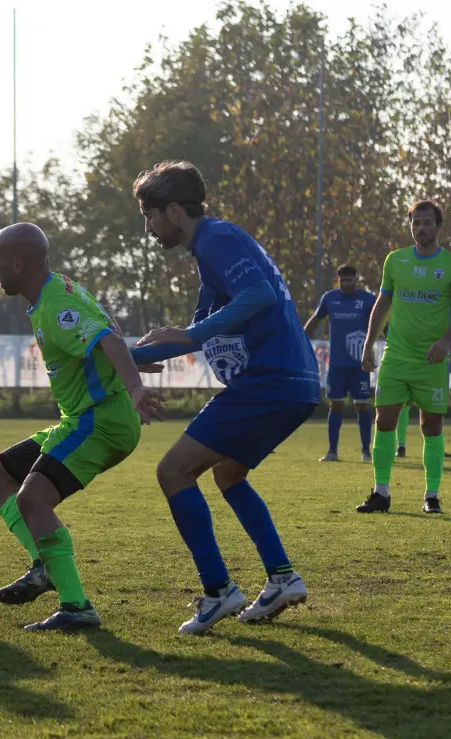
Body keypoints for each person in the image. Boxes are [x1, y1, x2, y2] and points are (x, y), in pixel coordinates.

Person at [128, 160, 319, 635]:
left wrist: (190, 332)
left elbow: (257, 297)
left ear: (174, 210)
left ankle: (217, 591)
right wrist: (118, 356)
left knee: (172, 471)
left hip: (268, 381)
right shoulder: (212, 254)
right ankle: (282, 577)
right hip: (293, 384)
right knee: (229, 474)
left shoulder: (217, 238)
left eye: (150, 216)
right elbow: (193, 337)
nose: (148, 228)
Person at [0, 222, 164, 631]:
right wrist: (131, 361)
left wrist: (134, 385)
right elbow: (103, 341)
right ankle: (43, 565)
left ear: (16, 262)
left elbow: (106, 339)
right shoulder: (55, 291)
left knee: (32, 499)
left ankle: (76, 606)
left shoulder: (56, 305)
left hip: (101, 419)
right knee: (0, 472)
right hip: (81, 418)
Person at [357, 200, 451, 515]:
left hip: (431, 361)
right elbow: (382, 304)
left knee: (431, 425)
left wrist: (446, 341)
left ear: (438, 226)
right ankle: (381, 493)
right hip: (396, 356)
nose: (421, 228)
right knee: (384, 421)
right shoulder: (395, 261)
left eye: (427, 223)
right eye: (416, 223)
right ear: (410, 226)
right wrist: (369, 344)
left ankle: (432, 495)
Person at [303, 265, 375, 462]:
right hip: (337, 364)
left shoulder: (368, 299)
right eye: (342, 281)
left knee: (362, 405)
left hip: (360, 364)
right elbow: (315, 320)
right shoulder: (329, 298)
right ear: (338, 280)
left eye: (349, 280)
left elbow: (382, 323)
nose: (345, 284)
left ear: (356, 279)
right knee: (335, 405)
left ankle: (366, 452)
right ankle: (332, 451)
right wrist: (301, 338)